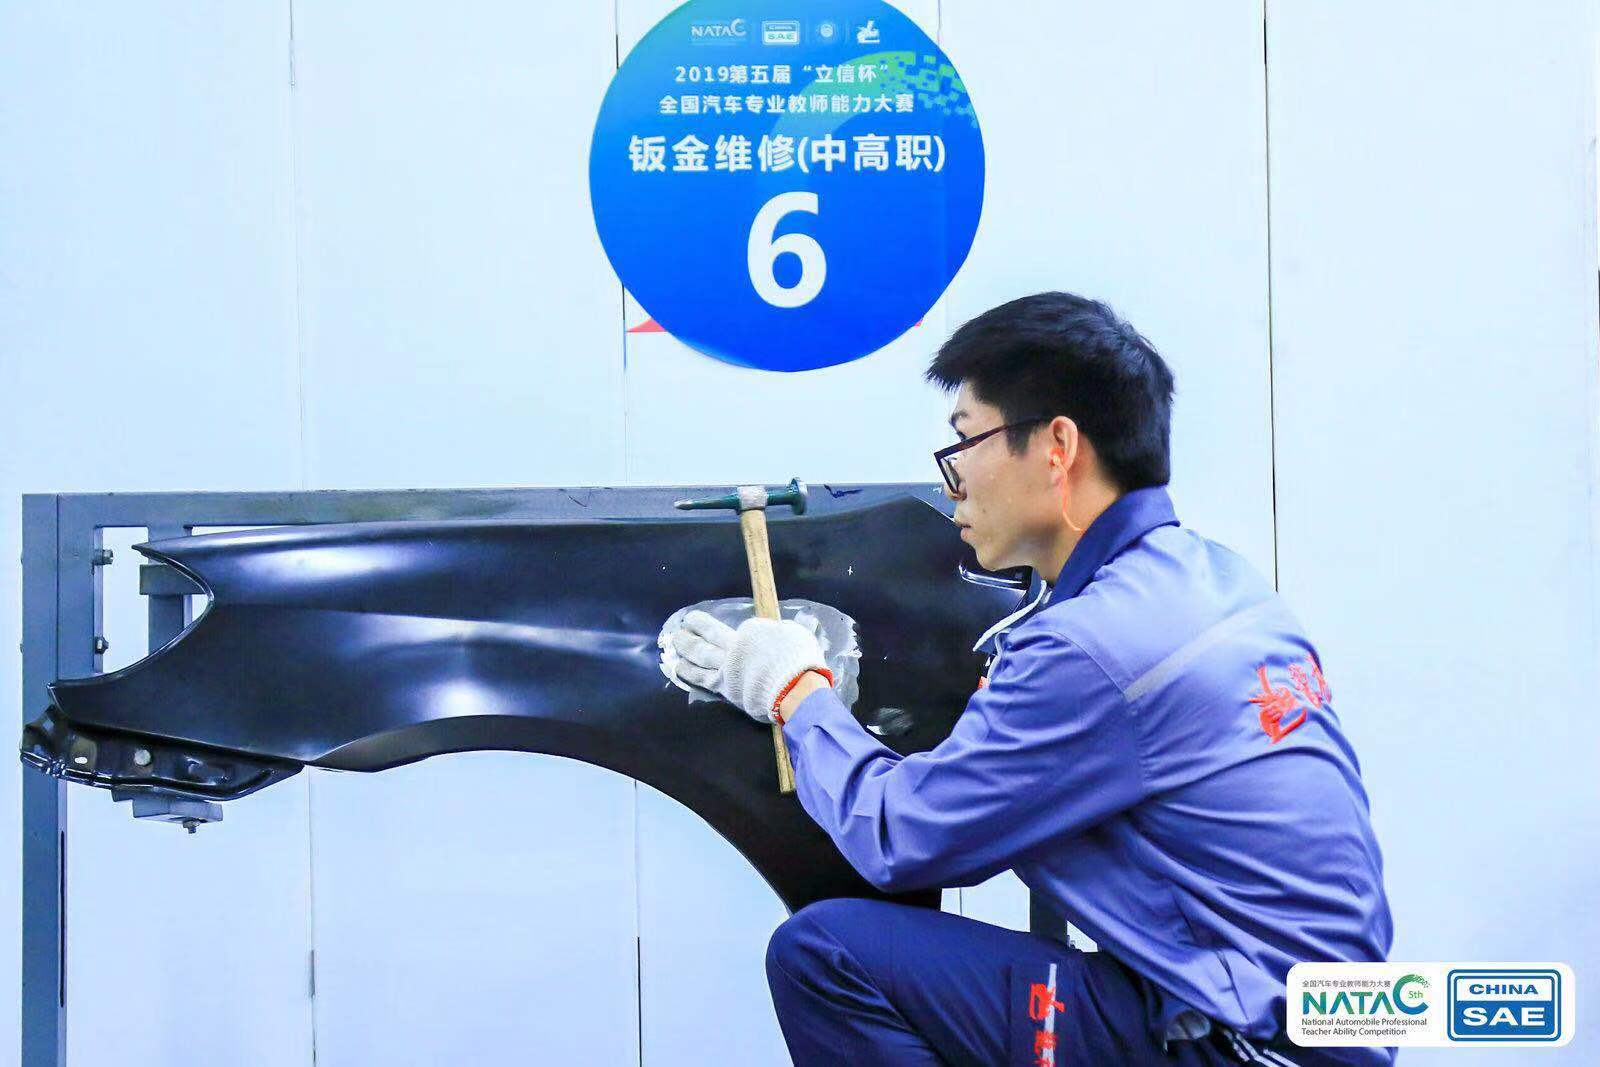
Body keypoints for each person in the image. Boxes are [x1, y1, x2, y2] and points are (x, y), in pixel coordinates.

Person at [671, 292, 1394, 1066]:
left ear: (1056, 446)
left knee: (825, 954)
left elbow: (899, 835)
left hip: (1246, 1042)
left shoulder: (1095, 644)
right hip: (1338, 1026)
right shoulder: (1219, 582)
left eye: (965, 439)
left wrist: (794, 691)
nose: (953, 479)